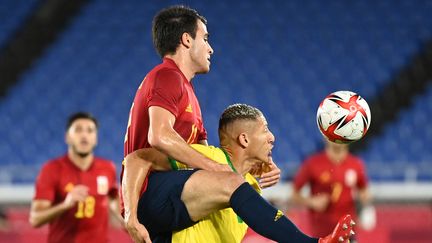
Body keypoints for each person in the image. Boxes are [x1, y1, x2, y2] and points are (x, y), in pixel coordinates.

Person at [121, 5, 281, 242]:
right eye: (205, 38)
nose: (211, 48)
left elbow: (206, 157)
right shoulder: (167, 76)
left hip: (171, 200)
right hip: (150, 191)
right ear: (186, 40)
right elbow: (159, 136)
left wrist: (249, 162)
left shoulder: (189, 93)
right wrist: (216, 168)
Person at [123, 104, 355, 243]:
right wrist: (130, 216)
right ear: (244, 138)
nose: (273, 137)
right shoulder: (207, 157)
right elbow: (137, 158)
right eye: (265, 130)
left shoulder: (248, 188)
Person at [29, 112, 123, 243]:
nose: (84, 135)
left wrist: (125, 221)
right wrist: (65, 205)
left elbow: (113, 198)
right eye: (78, 130)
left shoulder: (108, 168)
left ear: (95, 138)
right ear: (67, 137)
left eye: (90, 130)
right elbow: (35, 219)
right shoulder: (52, 169)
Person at [290, 139, 373, 240]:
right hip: (321, 234)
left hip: (347, 233)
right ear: (325, 137)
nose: (337, 138)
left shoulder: (356, 164)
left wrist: (364, 206)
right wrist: (311, 202)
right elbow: (294, 195)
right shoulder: (313, 163)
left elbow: (364, 190)